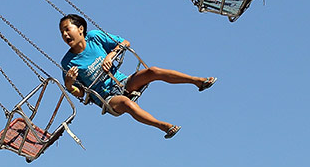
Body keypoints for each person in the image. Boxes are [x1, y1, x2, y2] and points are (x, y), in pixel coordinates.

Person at [59, 14, 216, 139]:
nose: (65, 34)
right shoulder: (67, 62)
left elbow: (125, 42)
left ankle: (198, 82)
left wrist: (110, 56)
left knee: (153, 71)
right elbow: (80, 93)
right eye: (62, 33)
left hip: (122, 81)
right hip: (107, 97)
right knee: (126, 103)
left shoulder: (95, 37)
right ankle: (162, 126)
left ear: (80, 29)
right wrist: (69, 84)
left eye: (67, 29)